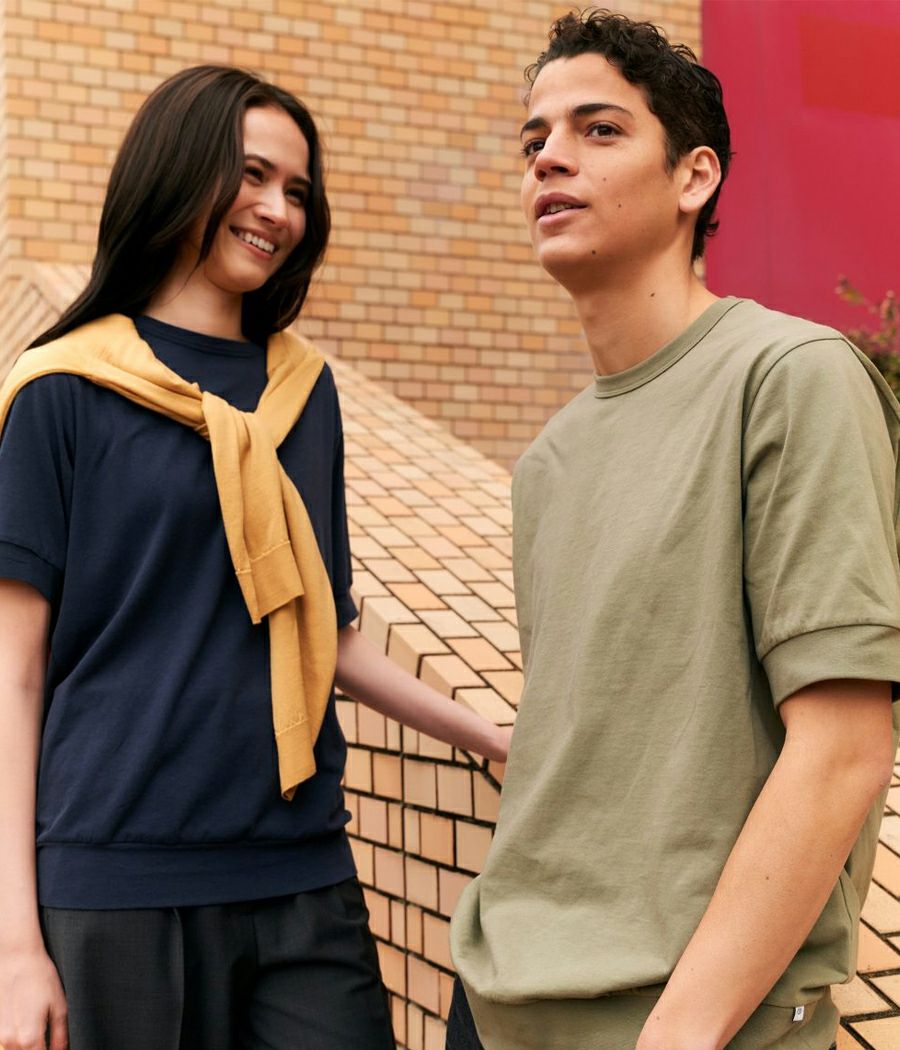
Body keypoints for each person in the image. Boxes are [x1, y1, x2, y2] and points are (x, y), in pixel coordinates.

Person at [0, 65, 510, 1050]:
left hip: (299, 872)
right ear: (178, 169)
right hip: (116, 884)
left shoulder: (303, 395)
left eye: (298, 191)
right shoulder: (60, 391)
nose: (279, 210)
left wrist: (493, 739)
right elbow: (12, 674)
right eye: (253, 175)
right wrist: (14, 943)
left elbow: (328, 634)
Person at [448, 9, 900, 1050]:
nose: (550, 156)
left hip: (689, 1022)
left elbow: (843, 748)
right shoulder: (548, 462)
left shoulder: (791, 379)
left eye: (599, 129)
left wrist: (682, 1033)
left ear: (695, 177)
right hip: (499, 1001)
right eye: (535, 139)